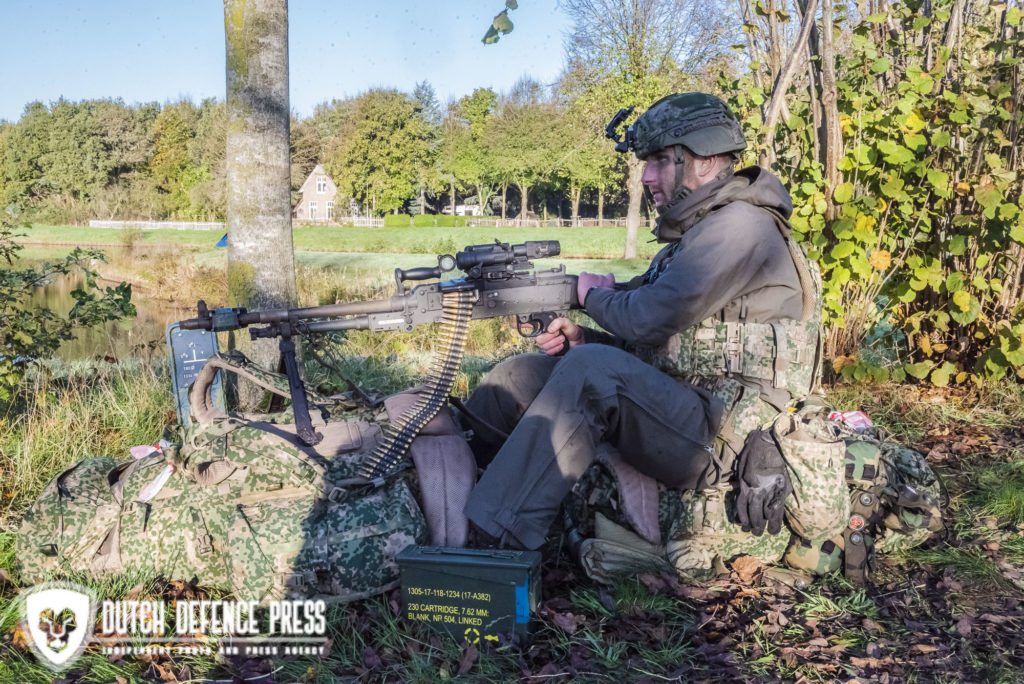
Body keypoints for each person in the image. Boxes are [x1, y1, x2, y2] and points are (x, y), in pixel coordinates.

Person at [462, 92, 822, 552]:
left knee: (591, 372)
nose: (647, 176)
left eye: (657, 160)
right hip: (687, 405)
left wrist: (585, 294)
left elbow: (650, 319)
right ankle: (455, 492)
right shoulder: (702, 231)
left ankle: (490, 546)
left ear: (706, 161)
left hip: (726, 432)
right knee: (517, 376)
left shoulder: (741, 228)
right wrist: (584, 335)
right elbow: (671, 339)